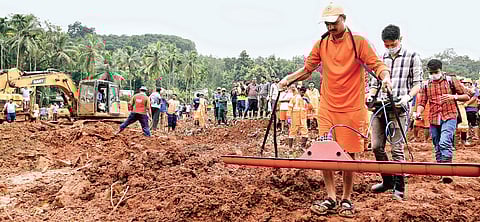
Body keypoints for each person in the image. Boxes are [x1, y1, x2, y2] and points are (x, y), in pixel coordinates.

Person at [278, 3, 391, 217]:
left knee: (349, 154)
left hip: (352, 107)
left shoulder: (358, 42)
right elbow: (308, 69)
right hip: (328, 106)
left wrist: (386, 78)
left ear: (344, 19)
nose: (331, 28)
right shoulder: (321, 44)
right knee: (325, 152)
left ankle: (346, 199)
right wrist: (289, 79)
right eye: (327, 24)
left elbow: (377, 65)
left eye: (334, 23)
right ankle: (330, 197)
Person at [368, 24, 423, 200]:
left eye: (393, 44)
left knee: (397, 149)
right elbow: (374, 83)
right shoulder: (380, 57)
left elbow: (417, 83)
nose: (390, 48)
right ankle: (387, 180)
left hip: (399, 108)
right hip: (381, 107)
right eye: (387, 45)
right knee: (376, 146)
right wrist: (370, 95)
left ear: (400, 40)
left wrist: (408, 97)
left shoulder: (412, 56)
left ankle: (399, 187)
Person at [414, 59, 470, 183]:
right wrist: (418, 112)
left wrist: (453, 96)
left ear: (441, 70)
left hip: (449, 115)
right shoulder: (426, 84)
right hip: (434, 118)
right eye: (431, 72)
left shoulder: (451, 80)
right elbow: (422, 102)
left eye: (436, 72)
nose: (434, 74)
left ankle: (447, 172)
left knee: (445, 142)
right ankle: (441, 172)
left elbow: (467, 95)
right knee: (437, 145)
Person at [463, 78, 479, 143]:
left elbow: (474, 97)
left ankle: (476, 136)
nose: (464, 84)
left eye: (466, 83)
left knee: (473, 122)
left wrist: (467, 103)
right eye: (464, 83)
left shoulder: (475, 90)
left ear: (469, 83)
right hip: (465, 109)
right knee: (466, 123)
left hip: (472, 108)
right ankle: (467, 136)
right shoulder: (465, 90)